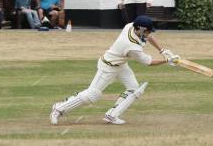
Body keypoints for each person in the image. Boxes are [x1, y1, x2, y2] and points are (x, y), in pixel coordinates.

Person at [50, 16, 179, 125]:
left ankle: (111, 115)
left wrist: (162, 51)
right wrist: (167, 61)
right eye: (147, 31)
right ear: (140, 29)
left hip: (121, 65)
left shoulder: (131, 26)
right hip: (108, 66)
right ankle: (58, 108)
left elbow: (148, 37)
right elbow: (149, 62)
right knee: (92, 95)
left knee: (134, 89)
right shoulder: (131, 46)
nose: (148, 34)